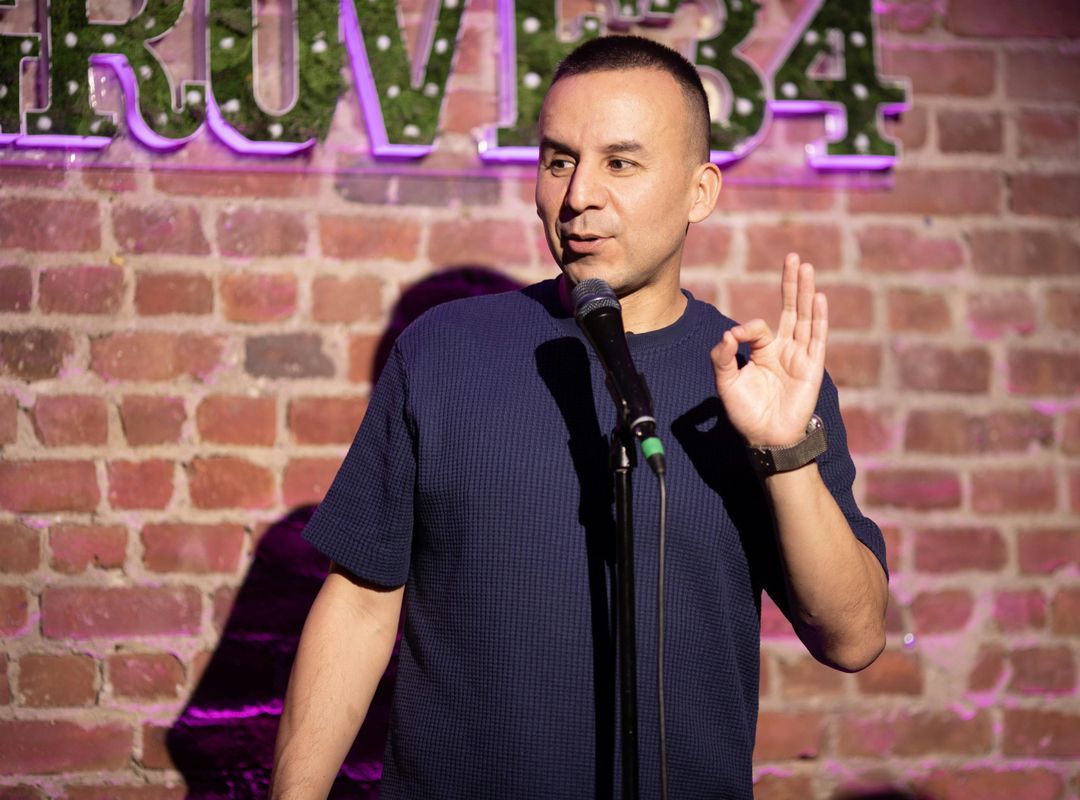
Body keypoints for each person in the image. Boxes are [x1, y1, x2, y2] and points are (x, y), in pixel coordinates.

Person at [270, 35, 887, 800]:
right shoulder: (444, 352)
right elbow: (361, 605)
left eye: (620, 164)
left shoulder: (759, 384)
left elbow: (853, 638)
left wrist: (783, 451)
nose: (579, 196)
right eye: (559, 160)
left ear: (700, 192)